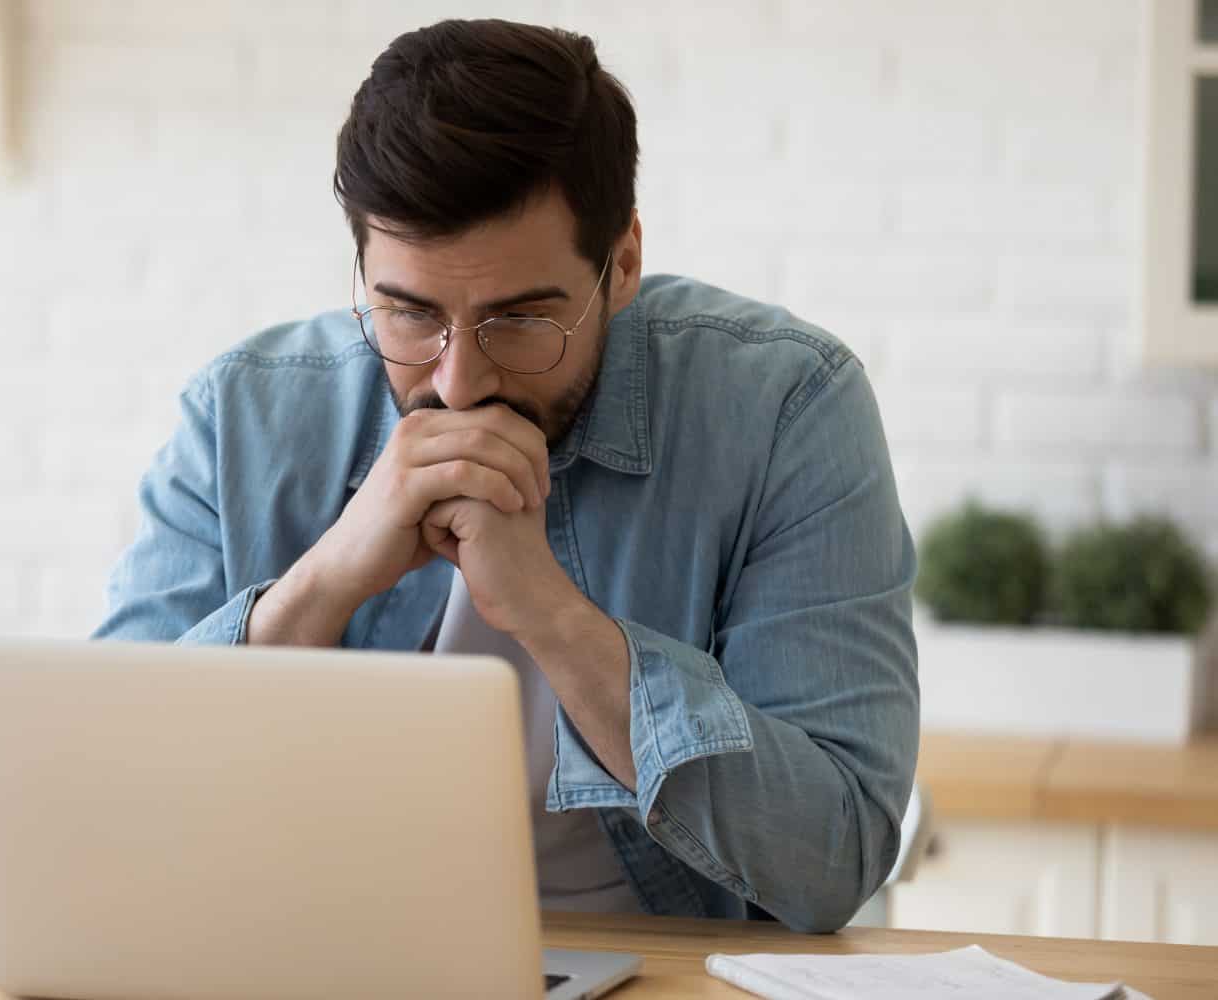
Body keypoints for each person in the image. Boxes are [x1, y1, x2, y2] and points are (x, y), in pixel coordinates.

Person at [94, 18, 919, 933]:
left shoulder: (785, 407)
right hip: (309, 957)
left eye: (521, 321)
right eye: (407, 315)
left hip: (652, 969)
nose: (460, 379)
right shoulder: (241, 416)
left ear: (624, 263)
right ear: (362, 270)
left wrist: (550, 613)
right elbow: (99, 803)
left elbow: (834, 855)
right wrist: (323, 584)